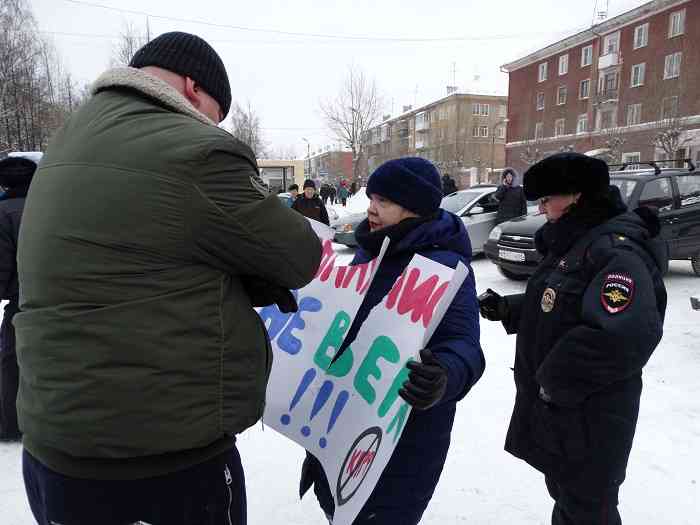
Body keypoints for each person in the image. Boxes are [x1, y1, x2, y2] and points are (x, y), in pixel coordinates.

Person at [15, 32, 321, 525]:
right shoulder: (195, 149)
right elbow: (298, 257)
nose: (214, 126)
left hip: (54, 447)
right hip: (163, 464)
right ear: (193, 87)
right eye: (216, 115)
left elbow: (138, 255)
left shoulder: (69, 140)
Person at [478, 153, 667, 525]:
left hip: (591, 416)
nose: (541, 207)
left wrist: (551, 382)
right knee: (567, 495)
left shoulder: (614, 250)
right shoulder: (577, 240)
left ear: (577, 196)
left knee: (587, 508)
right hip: (565, 414)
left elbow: (621, 337)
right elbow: (565, 299)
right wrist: (511, 309)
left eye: (548, 199)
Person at [300, 157, 485, 524]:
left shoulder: (446, 267)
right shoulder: (369, 250)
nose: (370, 208)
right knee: (338, 507)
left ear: (413, 208)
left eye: (383, 201)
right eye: (371, 197)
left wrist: (442, 376)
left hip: (403, 435)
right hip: (342, 418)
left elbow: (465, 345)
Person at [0, 156, 37, 442]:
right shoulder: (50, 205)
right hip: (54, 292)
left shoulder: (2, 212)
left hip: (19, 298)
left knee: (11, 359)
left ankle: (11, 424)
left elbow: (3, 261)